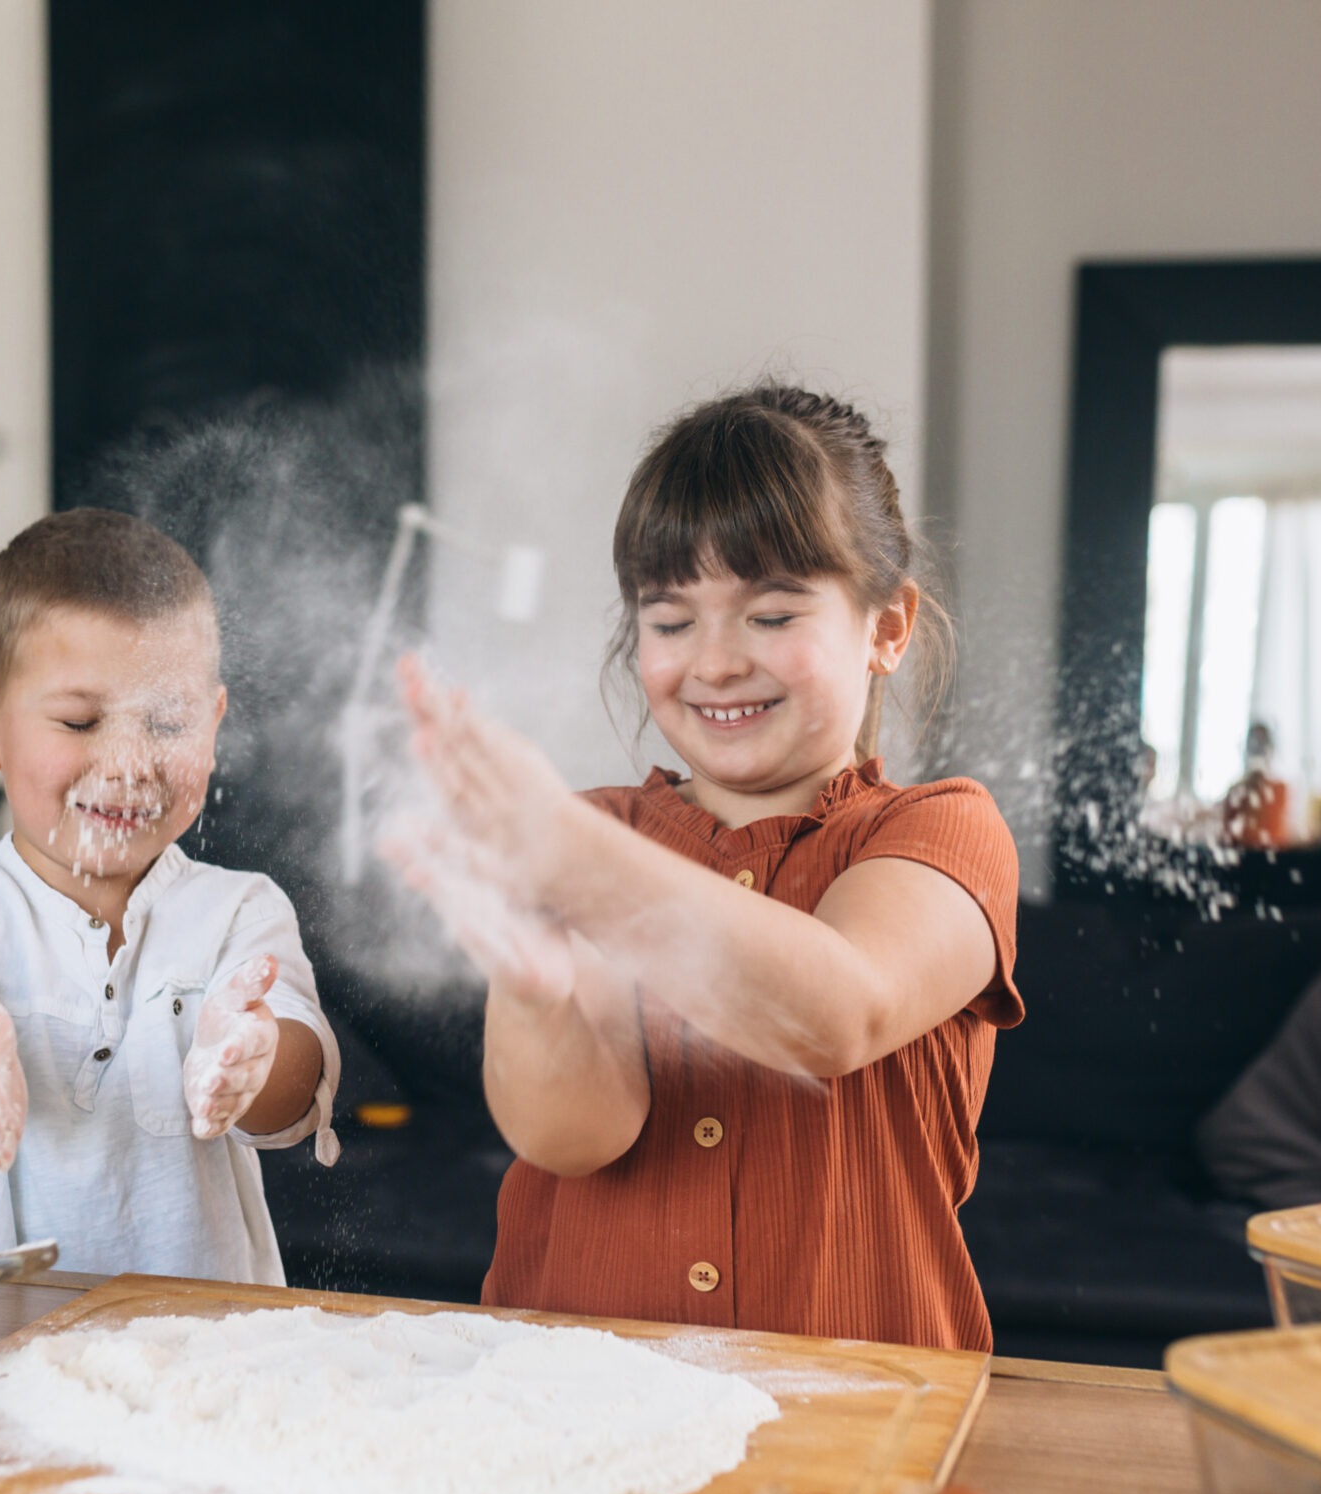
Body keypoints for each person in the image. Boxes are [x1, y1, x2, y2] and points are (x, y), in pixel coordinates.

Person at [389, 386, 1022, 1350]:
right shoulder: (599, 833)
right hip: (582, 1400)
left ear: (888, 627)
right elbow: (575, 1135)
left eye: (771, 615)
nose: (716, 663)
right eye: (672, 622)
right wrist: (534, 991)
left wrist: (568, 854)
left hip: (863, 1412)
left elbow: (838, 1010)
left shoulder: (944, 832)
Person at [0, 509, 341, 1278]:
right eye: (80, 720)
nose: (128, 763)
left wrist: (250, 1064)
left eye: (167, 721)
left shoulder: (240, 910)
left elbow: (295, 1087)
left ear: (215, 724)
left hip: (202, 1361)